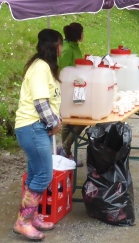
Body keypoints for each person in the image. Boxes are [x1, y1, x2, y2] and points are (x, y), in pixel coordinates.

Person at [13, 28, 63, 239]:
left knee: (35, 174)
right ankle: (22, 222)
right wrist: (55, 123)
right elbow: (41, 103)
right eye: (61, 44)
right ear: (55, 46)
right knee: (44, 175)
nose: (62, 49)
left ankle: (31, 216)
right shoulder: (40, 68)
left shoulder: (44, 67)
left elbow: (50, 100)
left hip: (36, 127)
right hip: (32, 127)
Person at [58, 22, 86, 168]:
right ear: (78, 34)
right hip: (69, 88)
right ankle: (66, 148)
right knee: (81, 119)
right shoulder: (67, 49)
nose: (83, 35)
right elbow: (63, 70)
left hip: (77, 86)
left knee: (70, 121)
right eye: (82, 32)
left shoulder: (74, 46)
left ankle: (65, 151)